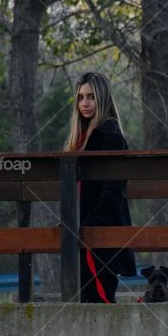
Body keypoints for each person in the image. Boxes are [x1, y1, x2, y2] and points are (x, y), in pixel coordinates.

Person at [63, 72, 136, 303]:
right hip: (81, 233)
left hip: (101, 237)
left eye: (91, 97)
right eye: (81, 97)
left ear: (103, 99)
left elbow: (113, 190)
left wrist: (91, 224)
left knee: (100, 303)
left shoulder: (110, 136)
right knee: (84, 302)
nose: (84, 103)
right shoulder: (81, 138)